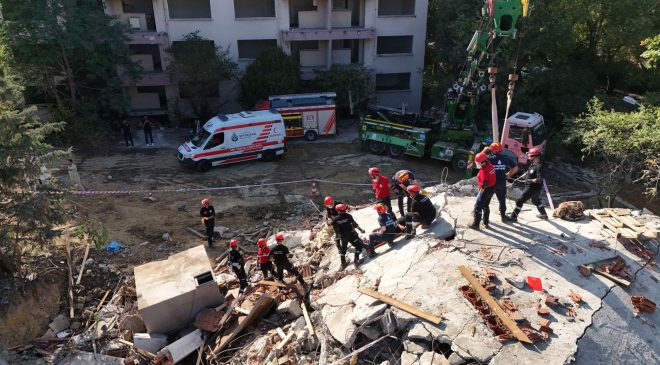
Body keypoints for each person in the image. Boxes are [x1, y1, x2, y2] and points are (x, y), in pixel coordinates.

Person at [508, 147, 548, 222]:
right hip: (534, 188)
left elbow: (539, 179)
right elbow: (528, 172)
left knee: (519, 200)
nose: (529, 157)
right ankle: (544, 215)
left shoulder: (539, 167)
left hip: (532, 188)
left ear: (535, 156)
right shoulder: (532, 165)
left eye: (530, 156)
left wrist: (528, 180)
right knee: (535, 201)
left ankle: (513, 216)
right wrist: (520, 177)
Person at [484, 142, 518, 221]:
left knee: (487, 201)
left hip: (491, 183)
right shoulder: (506, 158)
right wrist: (508, 175)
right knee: (502, 200)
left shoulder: (489, 158)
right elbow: (515, 168)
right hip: (501, 182)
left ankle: (485, 220)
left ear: (491, 150)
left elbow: (478, 159)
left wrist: (484, 150)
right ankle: (503, 217)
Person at [331, 204, 366, 269]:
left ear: (338, 210)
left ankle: (343, 263)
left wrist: (338, 239)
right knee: (358, 246)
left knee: (343, 249)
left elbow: (336, 231)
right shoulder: (348, 216)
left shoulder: (335, 220)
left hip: (343, 237)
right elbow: (354, 224)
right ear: (345, 209)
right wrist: (361, 230)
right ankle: (356, 260)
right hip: (351, 235)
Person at [470, 152, 496, 230]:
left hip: (486, 190)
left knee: (478, 207)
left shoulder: (484, 171)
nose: (477, 164)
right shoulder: (490, 165)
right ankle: (486, 222)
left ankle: (476, 224)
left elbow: (484, 184)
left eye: (478, 162)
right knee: (486, 206)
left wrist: (480, 193)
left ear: (483, 162)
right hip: (492, 188)